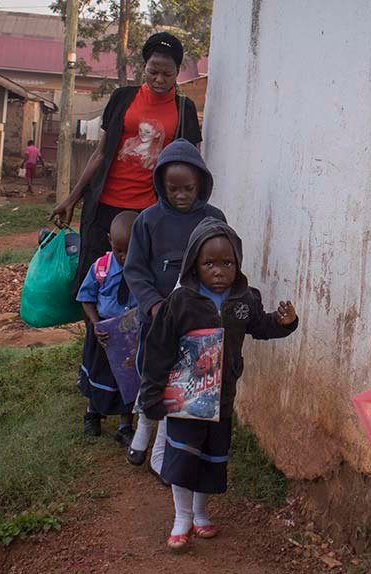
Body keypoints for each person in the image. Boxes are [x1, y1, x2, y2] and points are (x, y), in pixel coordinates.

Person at [138, 218, 298, 553]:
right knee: (182, 457)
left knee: (211, 459)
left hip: (222, 399)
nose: (219, 271)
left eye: (227, 263)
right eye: (209, 263)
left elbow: (260, 326)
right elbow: (158, 350)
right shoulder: (180, 301)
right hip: (186, 399)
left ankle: (200, 513)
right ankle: (181, 519)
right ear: (194, 263)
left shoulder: (244, 300)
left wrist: (284, 323)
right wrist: (152, 396)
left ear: (237, 263)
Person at [48, 31, 203, 298]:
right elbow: (100, 154)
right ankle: (96, 336)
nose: (159, 79)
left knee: (140, 284)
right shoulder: (122, 98)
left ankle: (134, 339)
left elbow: (191, 163)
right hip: (105, 206)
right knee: (97, 280)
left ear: (178, 72)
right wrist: (72, 199)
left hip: (150, 212)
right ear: (144, 66)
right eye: (153, 71)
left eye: (167, 74)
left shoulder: (184, 108)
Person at [122, 139, 226, 475]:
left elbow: (222, 263)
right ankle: (143, 429)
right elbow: (135, 270)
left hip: (196, 323)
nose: (181, 195)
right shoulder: (148, 221)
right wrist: (153, 306)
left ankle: (163, 449)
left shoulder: (213, 218)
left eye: (188, 189)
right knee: (152, 375)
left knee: (184, 383)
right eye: (173, 189)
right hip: (158, 321)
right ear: (160, 186)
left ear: (201, 185)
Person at [75, 211, 139, 445]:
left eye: (130, 250)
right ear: (110, 241)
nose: (124, 256)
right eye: (119, 250)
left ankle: (125, 426)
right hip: (104, 334)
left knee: (128, 380)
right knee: (97, 375)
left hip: (130, 336)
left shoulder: (143, 271)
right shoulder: (100, 268)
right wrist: (94, 323)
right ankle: (93, 414)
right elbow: (86, 297)